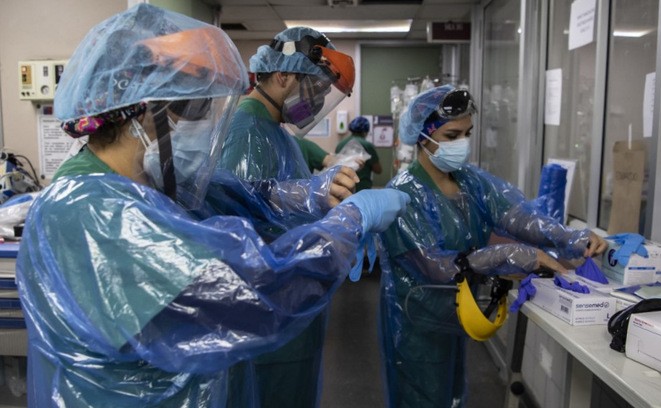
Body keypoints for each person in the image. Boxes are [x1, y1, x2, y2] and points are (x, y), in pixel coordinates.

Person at [15, 5, 409, 407]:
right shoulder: (89, 211)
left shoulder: (153, 181)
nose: (208, 128)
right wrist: (349, 222)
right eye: (200, 110)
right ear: (148, 109)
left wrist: (314, 192)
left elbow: (249, 193)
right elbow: (250, 297)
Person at [377, 85, 608, 408]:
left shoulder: (470, 181)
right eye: (452, 135)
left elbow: (520, 218)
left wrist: (571, 238)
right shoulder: (403, 195)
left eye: (468, 134)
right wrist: (514, 255)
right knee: (422, 398)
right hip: (417, 326)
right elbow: (438, 266)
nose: (463, 144)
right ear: (423, 136)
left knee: (452, 396)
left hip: (455, 314)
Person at [217, 26, 360, 408]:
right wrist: (329, 241)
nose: (315, 102)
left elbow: (285, 209)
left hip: (290, 312)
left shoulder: (275, 133)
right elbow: (241, 238)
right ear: (283, 75)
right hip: (269, 321)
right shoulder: (248, 132)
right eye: (314, 89)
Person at [336, 116, 382, 191]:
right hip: (362, 188)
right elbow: (378, 170)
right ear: (365, 131)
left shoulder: (340, 144)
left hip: (344, 186)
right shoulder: (367, 145)